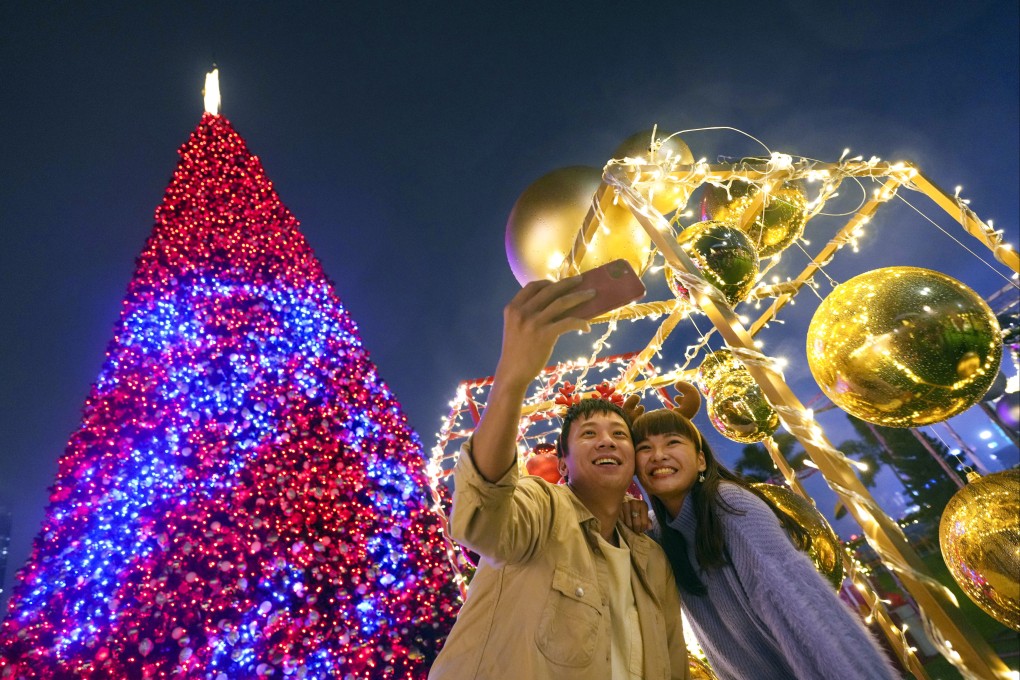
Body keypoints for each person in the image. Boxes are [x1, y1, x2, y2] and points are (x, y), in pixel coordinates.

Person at [429, 276, 690, 680]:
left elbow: (673, 662)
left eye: (619, 434)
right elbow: (483, 514)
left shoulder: (653, 559)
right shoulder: (540, 510)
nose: (607, 442)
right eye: (589, 434)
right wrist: (512, 376)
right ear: (563, 464)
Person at [625, 388, 900, 680]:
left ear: (701, 460)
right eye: (643, 448)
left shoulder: (730, 504)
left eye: (673, 442)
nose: (658, 455)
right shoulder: (657, 532)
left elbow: (801, 608)